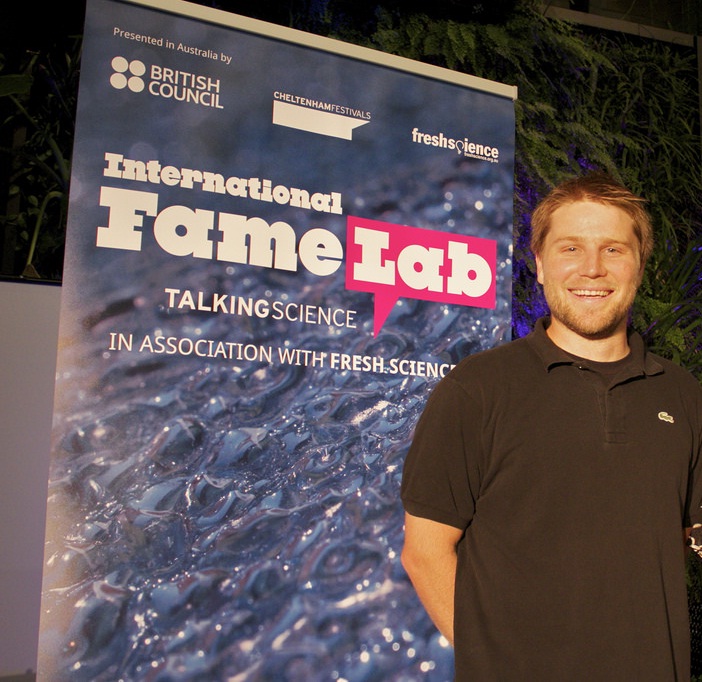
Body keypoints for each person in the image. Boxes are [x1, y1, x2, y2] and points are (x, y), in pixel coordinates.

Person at [400, 172, 702, 680]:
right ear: (539, 266)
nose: (591, 269)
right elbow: (424, 552)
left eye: (613, 250)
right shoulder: (477, 389)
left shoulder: (683, 395)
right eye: (570, 249)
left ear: (639, 266)